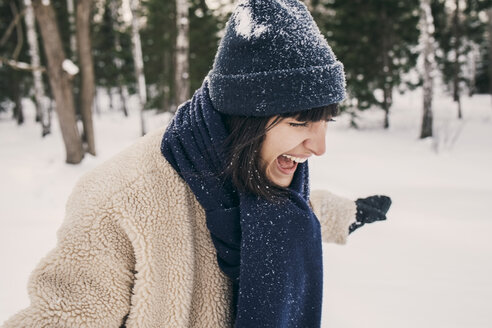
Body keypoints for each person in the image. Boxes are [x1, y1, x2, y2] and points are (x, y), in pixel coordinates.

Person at [1, 0, 391, 327]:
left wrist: (342, 213)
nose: (319, 147)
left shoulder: (253, 165)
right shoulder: (120, 200)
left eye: (326, 123)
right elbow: (62, 317)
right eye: (299, 123)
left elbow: (272, 213)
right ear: (245, 118)